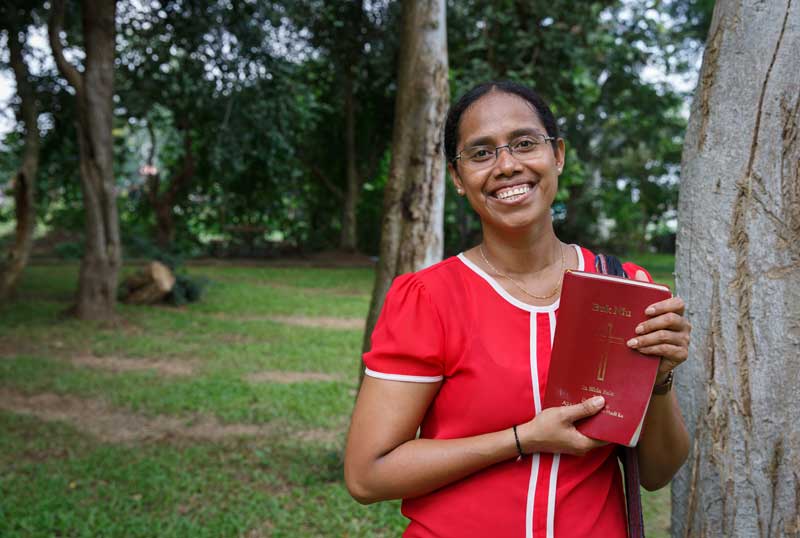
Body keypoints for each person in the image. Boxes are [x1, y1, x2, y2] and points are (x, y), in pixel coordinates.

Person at [344, 80, 691, 538]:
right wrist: (522, 439)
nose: (507, 166)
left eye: (525, 143)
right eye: (481, 152)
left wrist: (661, 377)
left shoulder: (624, 288)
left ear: (558, 155)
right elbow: (368, 473)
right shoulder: (430, 298)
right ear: (456, 175)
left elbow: (657, 473)